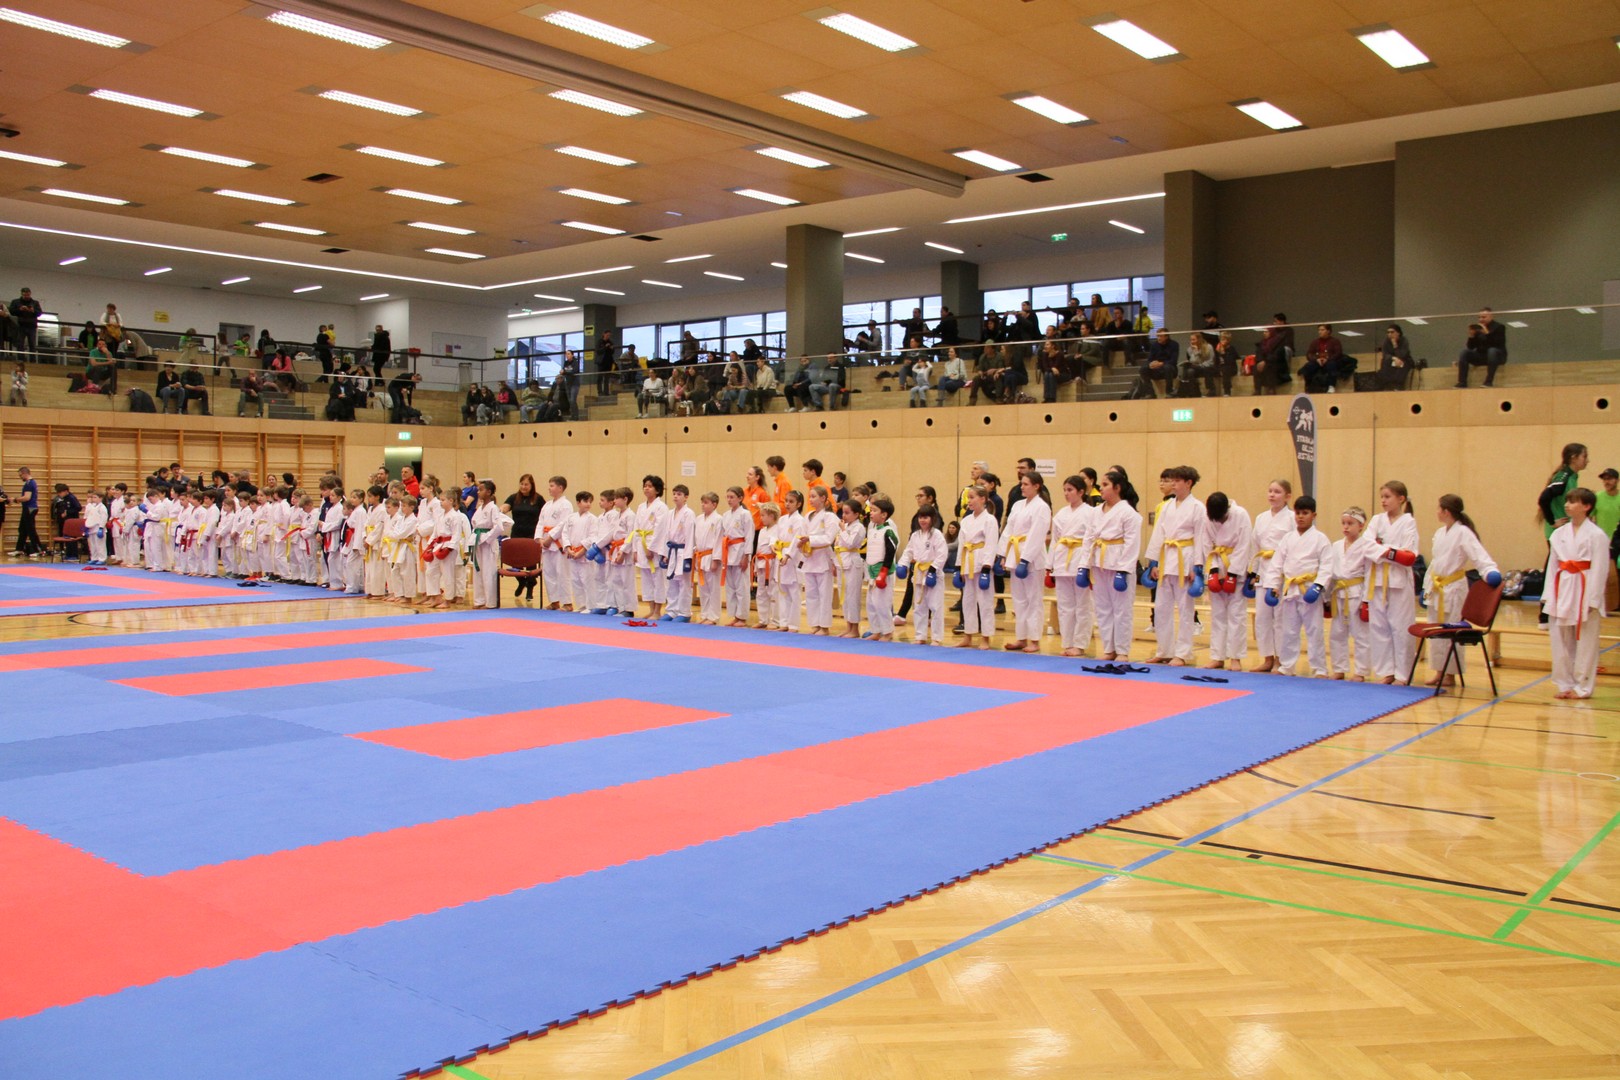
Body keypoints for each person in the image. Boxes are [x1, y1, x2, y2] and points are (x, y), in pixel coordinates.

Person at [1422, 494, 1500, 688]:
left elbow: (1479, 556)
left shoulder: (1464, 532)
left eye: (1439, 508)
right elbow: (1435, 563)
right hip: (1438, 587)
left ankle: (1451, 674)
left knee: (1452, 632)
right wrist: (1426, 588)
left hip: (1454, 588)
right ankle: (1439, 671)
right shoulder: (1440, 533)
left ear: (1446, 512)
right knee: (1437, 631)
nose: (1437, 512)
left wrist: (1490, 572)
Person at [1545, 487, 1608, 699]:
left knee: (1587, 640)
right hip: (1562, 586)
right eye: (1567, 501)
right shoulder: (1558, 534)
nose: (1567, 505)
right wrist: (1549, 596)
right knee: (1561, 639)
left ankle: (1583, 686)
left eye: (1573, 502)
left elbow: (1600, 569)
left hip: (1584, 585)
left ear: (1586, 506)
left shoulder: (1597, 535)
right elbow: (1552, 566)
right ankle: (1565, 684)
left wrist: (1593, 600)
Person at [1144, 465, 1208, 665]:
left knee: (1185, 609)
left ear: (1188, 483)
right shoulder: (1167, 506)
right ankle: (1164, 650)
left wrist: (1197, 567)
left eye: (1177, 480)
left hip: (1185, 558)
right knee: (1161, 608)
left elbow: (1201, 538)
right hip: (1166, 558)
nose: (1173, 484)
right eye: (1172, 480)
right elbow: (1158, 534)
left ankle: (1182, 653)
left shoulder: (1198, 507)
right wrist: (1153, 562)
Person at [1263, 495, 1332, 677]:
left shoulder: (1321, 539)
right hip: (1291, 589)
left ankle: (1319, 668)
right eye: (1298, 513)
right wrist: (1272, 586)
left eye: (1305, 513)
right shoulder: (1287, 538)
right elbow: (1277, 564)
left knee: (1314, 631)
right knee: (1289, 631)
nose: (1301, 517)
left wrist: (1318, 586)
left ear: (1314, 515)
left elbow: (1327, 566)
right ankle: (1287, 666)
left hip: (1309, 589)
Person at [1364, 480, 1421, 685]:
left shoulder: (1408, 522)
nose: (1383, 501)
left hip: (1399, 581)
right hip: (1377, 579)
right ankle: (1386, 671)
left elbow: (1409, 554)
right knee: (1379, 626)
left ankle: (1403, 674)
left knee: (1400, 627)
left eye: (1387, 497)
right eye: (1382, 497)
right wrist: (1391, 551)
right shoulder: (1376, 520)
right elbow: (1366, 545)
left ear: (1401, 499)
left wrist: (1383, 550)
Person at [1087, 469, 1142, 660]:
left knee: (1122, 609)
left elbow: (1132, 543)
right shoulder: (1095, 512)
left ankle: (1122, 650)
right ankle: (1109, 649)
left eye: (1105, 485)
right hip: (1099, 562)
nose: (1100, 488)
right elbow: (1088, 539)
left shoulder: (1129, 513)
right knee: (1102, 608)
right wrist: (1084, 565)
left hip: (1118, 563)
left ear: (1117, 488)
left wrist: (1123, 570)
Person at [998, 471, 1052, 653]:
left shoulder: (1042, 507)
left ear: (1037, 486)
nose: (1022, 487)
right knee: (1019, 599)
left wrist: (1025, 559)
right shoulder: (1018, 505)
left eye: (1026, 484)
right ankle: (1021, 638)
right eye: (1021, 484)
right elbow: (1008, 530)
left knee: (1033, 600)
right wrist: (1002, 554)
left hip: (1033, 559)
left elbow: (1037, 535)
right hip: (1015, 554)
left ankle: (1034, 640)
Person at [1200, 491, 1253, 671]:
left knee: (1236, 616)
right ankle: (1217, 656)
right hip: (1216, 564)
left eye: (1221, 518)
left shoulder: (1241, 515)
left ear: (1227, 510)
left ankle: (1235, 657)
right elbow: (1206, 543)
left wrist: (1232, 574)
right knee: (1217, 615)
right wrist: (1213, 570)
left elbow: (1244, 545)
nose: (1218, 521)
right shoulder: (1208, 517)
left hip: (1235, 569)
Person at [1249, 480, 1295, 673]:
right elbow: (1255, 545)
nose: (1272, 495)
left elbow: (1294, 546)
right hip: (1263, 569)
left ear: (1287, 496)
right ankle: (1267, 658)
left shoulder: (1291, 518)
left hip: (1282, 572)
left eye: (1277, 492)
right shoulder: (1261, 518)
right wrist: (1252, 572)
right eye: (1270, 491)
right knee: (1262, 617)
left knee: (1280, 617)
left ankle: (1280, 659)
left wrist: (1289, 572)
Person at [1327, 506, 1374, 681]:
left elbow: (1369, 574)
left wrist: (1366, 600)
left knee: (1360, 634)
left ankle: (1360, 671)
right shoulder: (1336, 546)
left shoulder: (1366, 546)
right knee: (1337, 633)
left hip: (1357, 592)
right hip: (1338, 592)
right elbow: (1331, 573)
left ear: (1361, 525)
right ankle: (1339, 668)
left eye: (1350, 523)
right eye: (1343, 523)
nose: (1346, 527)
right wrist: (1326, 597)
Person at [954, 484, 999, 650]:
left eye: (972, 497)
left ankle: (986, 637)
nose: (969, 501)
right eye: (968, 498)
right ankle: (968, 635)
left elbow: (991, 544)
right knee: (968, 601)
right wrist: (958, 567)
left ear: (983, 499)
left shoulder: (990, 520)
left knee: (985, 601)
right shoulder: (966, 520)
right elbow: (961, 545)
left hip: (981, 562)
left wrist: (987, 567)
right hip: (967, 561)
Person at [897, 504, 947, 645]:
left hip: (933, 574)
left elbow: (942, 554)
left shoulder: (937, 535)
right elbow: (908, 552)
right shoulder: (915, 535)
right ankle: (920, 636)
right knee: (919, 607)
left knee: (936, 606)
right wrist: (903, 564)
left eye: (926, 517)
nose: (922, 520)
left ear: (932, 519)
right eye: (920, 517)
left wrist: (933, 569)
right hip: (919, 573)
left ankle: (936, 637)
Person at [799, 484, 839, 634]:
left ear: (823, 498)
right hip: (809, 557)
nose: (810, 499)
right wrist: (800, 542)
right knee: (811, 594)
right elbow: (801, 534)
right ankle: (815, 624)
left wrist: (810, 539)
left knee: (824, 594)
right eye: (810, 496)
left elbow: (829, 538)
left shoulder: (830, 517)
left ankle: (824, 626)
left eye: (814, 496)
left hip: (823, 557)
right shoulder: (808, 516)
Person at [863, 495, 899, 642]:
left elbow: (891, 551)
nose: (871, 513)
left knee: (882, 603)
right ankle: (876, 630)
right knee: (871, 603)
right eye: (871, 510)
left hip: (883, 571)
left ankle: (887, 631)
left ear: (884, 515)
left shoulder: (888, 531)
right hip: (872, 571)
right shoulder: (872, 530)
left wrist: (884, 571)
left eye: (874, 510)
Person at [833, 498, 867, 637]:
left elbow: (850, 543)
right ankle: (848, 626)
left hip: (853, 564)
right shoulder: (846, 526)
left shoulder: (859, 527)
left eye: (847, 513)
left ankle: (855, 629)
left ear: (856, 514)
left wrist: (842, 530)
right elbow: (838, 545)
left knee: (853, 597)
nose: (844, 516)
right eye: (843, 512)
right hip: (842, 562)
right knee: (844, 596)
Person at [1456, 307, 1507, 387]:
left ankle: (1489, 381)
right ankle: (1462, 382)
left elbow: (1498, 344)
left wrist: (1487, 333)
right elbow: (1470, 347)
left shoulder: (1499, 327)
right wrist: (1471, 336)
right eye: (1479, 317)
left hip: (1497, 356)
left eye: (1483, 317)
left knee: (1492, 351)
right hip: (1482, 356)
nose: (1481, 319)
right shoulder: (1478, 329)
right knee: (1464, 352)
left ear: (1491, 317)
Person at [1298, 324, 1347, 394]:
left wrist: (1327, 359)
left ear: (1328, 331)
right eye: (1319, 330)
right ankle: (1308, 386)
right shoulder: (1315, 342)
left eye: (1322, 330)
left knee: (1332, 365)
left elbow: (1338, 353)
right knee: (1308, 366)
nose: (1320, 332)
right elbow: (1309, 354)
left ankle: (1331, 386)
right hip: (1317, 361)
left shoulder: (1335, 341)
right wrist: (1316, 359)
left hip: (1330, 360)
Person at [1254, 313, 1294, 394]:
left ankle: (1271, 389)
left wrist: (1265, 361)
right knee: (1256, 368)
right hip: (1265, 362)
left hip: (1276, 363)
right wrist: (1260, 361)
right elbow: (1259, 353)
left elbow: (1276, 355)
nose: (1264, 333)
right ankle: (1257, 390)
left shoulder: (1278, 342)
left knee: (1270, 367)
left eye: (1266, 332)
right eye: (1264, 332)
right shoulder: (1262, 343)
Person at [1140, 328, 1177, 398]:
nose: (1158, 338)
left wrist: (1161, 363)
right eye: (1158, 336)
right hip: (1157, 369)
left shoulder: (1174, 344)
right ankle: (1150, 393)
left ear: (1166, 337)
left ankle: (1169, 391)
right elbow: (1150, 359)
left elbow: (1173, 360)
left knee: (1167, 367)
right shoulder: (1154, 345)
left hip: (1169, 369)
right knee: (1143, 369)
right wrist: (1151, 364)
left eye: (1160, 336)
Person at [1375, 325, 1414, 390]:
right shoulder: (1386, 341)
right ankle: (1387, 385)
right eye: (1388, 332)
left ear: (1398, 333)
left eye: (1392, 332)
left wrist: (1395, 345)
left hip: (1404, 360)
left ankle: (1397, 386)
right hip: (1392, 360)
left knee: (1401, 367)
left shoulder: (1404, 340)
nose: (1390, 334)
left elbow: (1402, 355)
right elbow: (1385, 354)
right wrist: (1394, 358)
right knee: (1385, 364)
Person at [9, 287, 41, 362]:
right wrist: (19, 309)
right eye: (25, 295)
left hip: (32, 326)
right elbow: (11, 311)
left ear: (30, 294)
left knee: (32, 344)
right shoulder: (15, 302)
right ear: (21, 294)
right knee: (20, 344)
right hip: (20, 325)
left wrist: (33, 311)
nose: (26, 297)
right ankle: (21, 360)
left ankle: (32, 361)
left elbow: (39, 313)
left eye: (28, 295)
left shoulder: (35, 303)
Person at [1182, 333, 1217, 398]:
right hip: (1196, 368)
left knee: (1207, 369)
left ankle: (1212, 390)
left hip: (1207, 367)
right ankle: (1193, 393)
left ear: (1199, 339)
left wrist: (1201, 365)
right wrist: (1195, 352)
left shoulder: (1209, 347)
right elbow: (1193, 361)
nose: (1192, 342)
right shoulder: (1189, 349)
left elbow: (1211, 361)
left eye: (1193, 340)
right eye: (1191, 340)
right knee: (1190, 371)